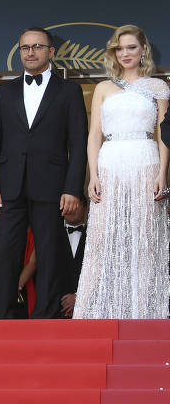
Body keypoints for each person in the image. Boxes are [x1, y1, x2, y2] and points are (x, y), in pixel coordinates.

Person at [0, 27, 88, 319]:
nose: (30, 52)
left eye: (37, 46)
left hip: (52, 187)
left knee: (49, 253)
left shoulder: (69, 91)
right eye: (25, 47)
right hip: (9, 187)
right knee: (5, 254)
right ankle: (2, 319)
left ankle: (45, 318)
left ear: (51, 52)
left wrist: (72, 188)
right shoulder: (5, 91)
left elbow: (78, 144)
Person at [74, 25, 170, 319]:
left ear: (143, 50)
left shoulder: (158, 87)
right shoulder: (103, 88)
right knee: (103, 239)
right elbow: (93, 136)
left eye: (131, 47)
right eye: (119, 48)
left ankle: (147, 312)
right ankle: (98, 313)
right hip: (110, 163)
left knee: (146, 238)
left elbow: (164, 134)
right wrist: (93, 175)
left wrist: (163, 174)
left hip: (146, 161)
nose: (125, 53)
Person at [60, 201, 87, 318]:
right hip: (57, 310)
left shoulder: (95, 235)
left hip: (88, 309)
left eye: (74, 204)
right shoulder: (52, 236)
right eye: (66, 205)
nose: (70, 208)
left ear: (86, 209)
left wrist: (79, 297)